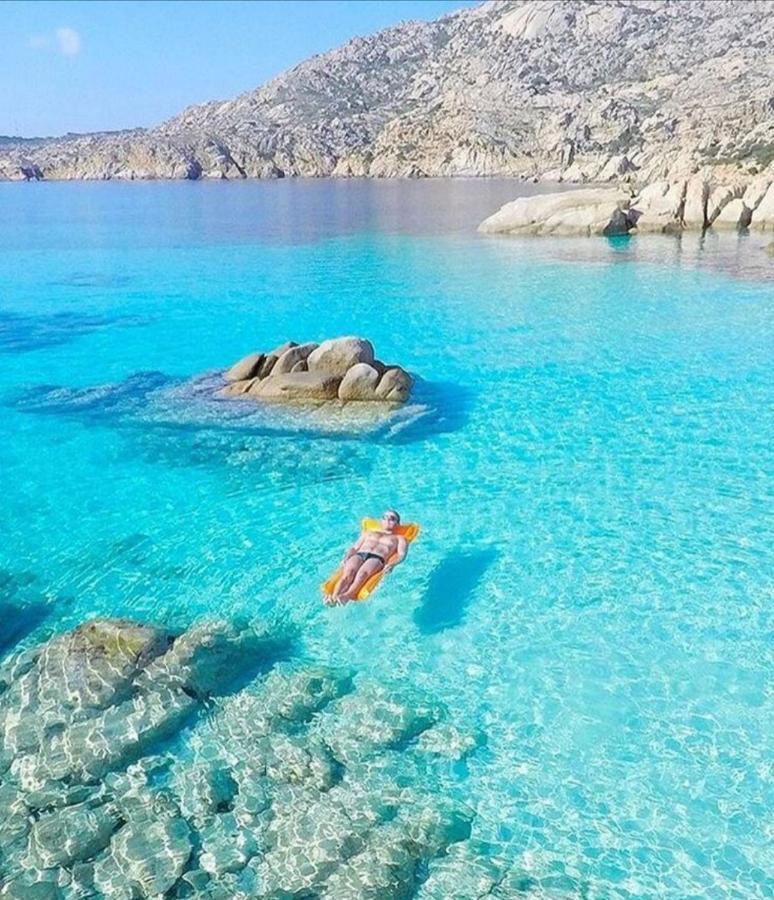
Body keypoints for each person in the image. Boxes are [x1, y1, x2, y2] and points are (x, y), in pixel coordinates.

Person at [328, 509, 408, 605]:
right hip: (360, 554)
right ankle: (333, 597)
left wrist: (393, 564)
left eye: (392, 518)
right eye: (385, 517)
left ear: (397, 524)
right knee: (348, 573)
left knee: (362, 574)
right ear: (381, 521)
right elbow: (355, 547)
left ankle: (346, 596)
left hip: (377, 557)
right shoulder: (369, 533)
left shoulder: (400, 538)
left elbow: (402, 554)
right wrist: (347, 557)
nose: (387, 520)